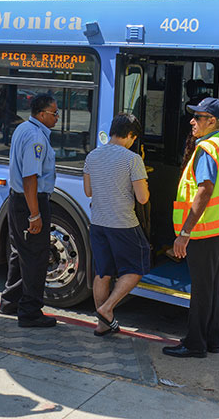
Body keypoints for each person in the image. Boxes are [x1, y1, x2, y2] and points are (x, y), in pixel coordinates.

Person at [163, 97, 219, 358]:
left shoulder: (206, 149)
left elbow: (205, 190)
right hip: (218, 229)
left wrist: (184, 234)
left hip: (203, 231)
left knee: (200, 290)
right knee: (211, 287)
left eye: (197, 117)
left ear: (213, 121)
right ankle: (210, 340)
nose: (192, 121)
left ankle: (195, 344)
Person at [83, 113, 151, 336]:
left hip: (98, 222)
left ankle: (102, 325)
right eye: (134, 138)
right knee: (136, 267)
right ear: (130, 135)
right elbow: (142, 198)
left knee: (103, 272)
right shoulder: (132, 159)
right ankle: (107, 308)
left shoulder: (92, 156)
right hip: (123, 224)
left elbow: (88, 191)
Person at [0, 94, 59, 328]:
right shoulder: (36, 138)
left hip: (17, 200)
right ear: (42, 114)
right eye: (54, 113)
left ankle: (10, 301)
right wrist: (35, 214)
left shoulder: (23, 128)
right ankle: (30, 311)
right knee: (36, 257)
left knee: (19, 251)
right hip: (30, 201)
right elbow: (30, 178)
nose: (57, 117)